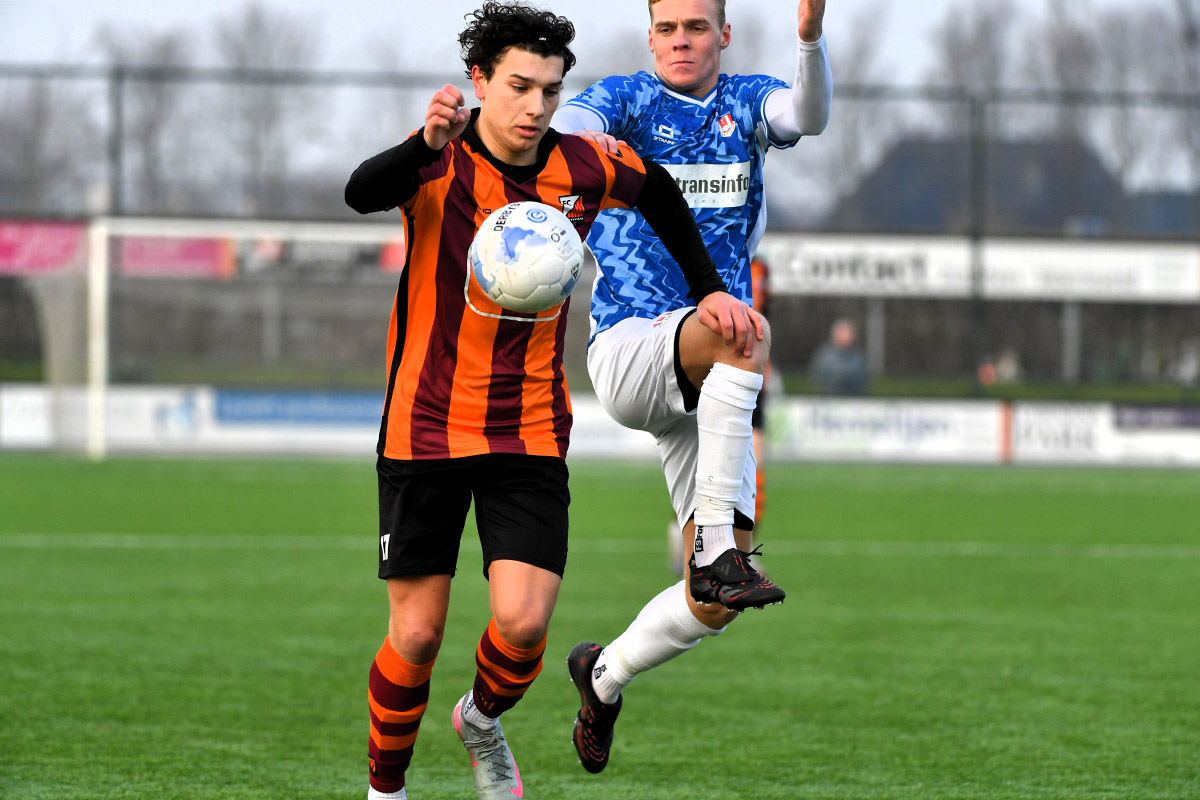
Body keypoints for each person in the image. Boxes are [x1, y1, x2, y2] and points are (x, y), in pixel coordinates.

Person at [343, 3, 760, 798]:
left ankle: (480, 718)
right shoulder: (436, 159)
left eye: (549, 90)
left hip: (527, 431)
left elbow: (659, 191)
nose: (536, 107)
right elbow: (361, 192)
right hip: (425, 427)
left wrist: (709, 289)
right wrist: (420, 142)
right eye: (519, 87)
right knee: (417, 635)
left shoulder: (582, 163)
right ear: (480, 81)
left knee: (525, 627)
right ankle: (385, 790)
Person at [551, 0, 832, 776]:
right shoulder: (628, 100)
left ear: (723, 35)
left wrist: (809, 39)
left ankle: (603, 676)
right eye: (668, 28)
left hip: (710, 382)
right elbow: (570, 122)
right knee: (747, 331)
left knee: (713, 606)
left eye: (697, 27)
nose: (682, 39)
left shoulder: (747, 104)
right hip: (633, 350)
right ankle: (714, 553)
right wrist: (585, 140)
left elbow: (806, 116)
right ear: (651, 37)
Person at [810, 317, 868, 396]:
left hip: (853, 398)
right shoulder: (825, 355)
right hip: (829, 397)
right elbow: (818, 375)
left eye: (850, 334)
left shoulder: (858, 356)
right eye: (844, 334)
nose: (847, 338)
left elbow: (863, 378)